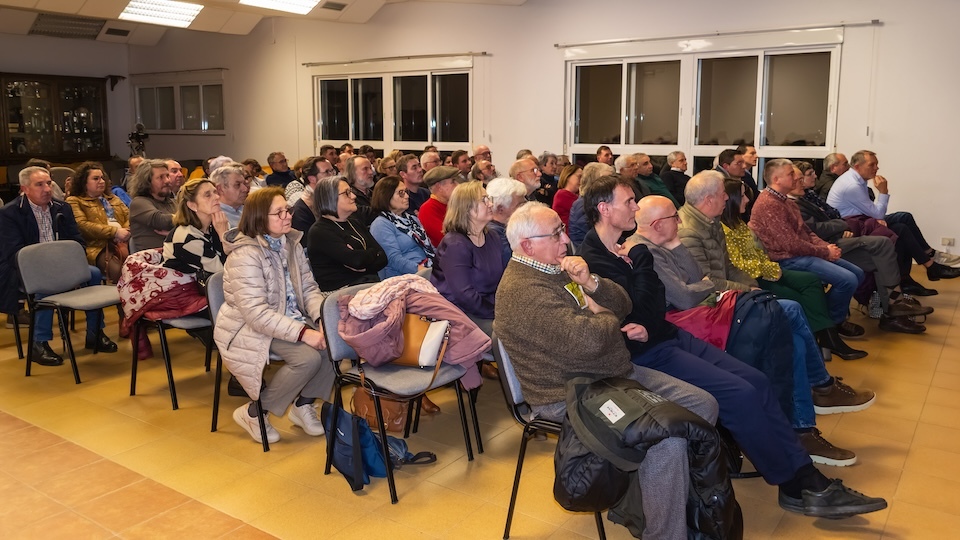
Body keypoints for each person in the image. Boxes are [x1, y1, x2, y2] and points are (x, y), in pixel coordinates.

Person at [584, 177, 872, 467]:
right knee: (773, 338)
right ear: (605, 209)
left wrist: (677, 252)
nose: (634, 207)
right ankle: (796, 451)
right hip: (678, 329)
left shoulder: (634, 248)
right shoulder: (629, 251)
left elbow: (678, 289)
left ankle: (803, 430)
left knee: (776, 342)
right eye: (629, 201)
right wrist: (705, 288)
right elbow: (673, 299)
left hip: (681, 325)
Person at [495, 201, 720, 539]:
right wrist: (602, 315)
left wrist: (591, 283)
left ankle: (669, 502)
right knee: (666, 443)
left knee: (704, 405)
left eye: (561, 230)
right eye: (555, 234)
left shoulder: (553, 268)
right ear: (528, 245)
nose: (565, 240)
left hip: (610, 375)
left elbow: (623, 303)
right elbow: (589, 339)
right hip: (569, 393)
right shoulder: (523, 291)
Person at [215, 188, 334, 444]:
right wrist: (305, 333)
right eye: (278, 212)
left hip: (286, 318)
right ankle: (254, 413)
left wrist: (323, 319)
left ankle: (303, 405)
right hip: (249, 326)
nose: (287, 216)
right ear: (259, 218)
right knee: (307, 359)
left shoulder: (291, 242)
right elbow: (256, 313)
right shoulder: (245, 253)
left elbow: (309, 288)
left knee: (336, 343)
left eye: (287, 210)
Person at [719, 177, 871, 356]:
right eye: (743, 196)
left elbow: (801, 235)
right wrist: (771, 268)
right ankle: (826, 337)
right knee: (814, 291)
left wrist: (823, 248)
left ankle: (826, 334)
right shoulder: (727, 228)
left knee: (812, 281)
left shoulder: (739, 223)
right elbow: (739, 264)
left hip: (772, 266)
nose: (747, 200)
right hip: (757, 276)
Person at [790, 163, 931, 333]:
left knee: (888, 245)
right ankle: (895, 303)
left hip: (841, 236)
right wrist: (843, 225)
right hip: (826, 245)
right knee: (887, 241)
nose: (814, 177)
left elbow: (833, 216)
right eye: (807, 175)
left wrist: (843, 225)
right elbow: (818, 227)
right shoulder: (796, 202)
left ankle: (893, 309)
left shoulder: (809, 196)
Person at [0, 166, 117, 366]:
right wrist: (47, 264)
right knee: (46, 284)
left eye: (49, 183)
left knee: (94, 274)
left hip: (63, 266)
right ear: (24, 188)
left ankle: (95, 333)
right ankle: (39, 343)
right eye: (39, 185)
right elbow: (13, 253)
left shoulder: (62, 208)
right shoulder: (10, 213)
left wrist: (66, 261)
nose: (47, 188)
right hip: (26, 270)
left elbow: (78, 242)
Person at [749, 161, 870, 340]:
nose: (796, 177)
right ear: (776, 179)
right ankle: (834, 324)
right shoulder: (769, 204)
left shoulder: (786, 201)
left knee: (858, 274)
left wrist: (826, 247)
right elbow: (790, 244)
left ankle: (824, 319)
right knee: (848, 280)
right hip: (785, 259)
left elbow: (806, 232)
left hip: (802, 253)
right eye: (790, 174)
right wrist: (824, 252)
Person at [826, 150, 960, 282]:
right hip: (850, 228)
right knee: (903, 221)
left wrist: (876, 217)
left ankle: (922, 269)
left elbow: (871, 212)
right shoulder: (852, 185)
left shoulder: (856, 179)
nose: (876, 168)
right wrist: (884, 192)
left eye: (876, 164)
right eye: (872, 165)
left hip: (860, 220)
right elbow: (877, 213)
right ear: (857, 167)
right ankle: (929, 261)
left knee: (902, 225)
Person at [430, 181, 502, 336]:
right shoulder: (456, 245)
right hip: (459, 314)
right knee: (515, 334)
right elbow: (465, 296)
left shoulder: (492, 237)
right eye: (484, 200)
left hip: (489, 307)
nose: (490, 204)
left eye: (489, 198)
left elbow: (502, 280)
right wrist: (498, 313)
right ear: (467, 208)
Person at [307, 176, 386, 291]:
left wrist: (363, 259)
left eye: (351, 192)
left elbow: (383, 258)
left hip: (368, 285)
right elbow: (356, 261)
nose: (353, 196)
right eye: (347, 193)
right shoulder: (319, 231)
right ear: (330, 198)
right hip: (340, 293)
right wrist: (372, 255)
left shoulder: (354, 222)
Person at [368, 175, 436, 279]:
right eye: (401, 193)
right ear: (386, 196)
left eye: (406, 192)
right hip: (404, 277)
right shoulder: (381, 224)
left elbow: (429, 246)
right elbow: (394, 260)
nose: (407, 196)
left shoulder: (412, 219)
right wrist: (425, 272)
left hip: (426, 267)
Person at [66, 161, 131, 268]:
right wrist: (114, 232)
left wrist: (125, 232)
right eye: (96, 179)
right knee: (121, 271)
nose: (101, 181)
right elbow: (82, 226)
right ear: (84, 182)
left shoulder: (113, 198)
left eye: (102, 178)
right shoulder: (74, 201)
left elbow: (130, 217)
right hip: (96, 247)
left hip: (124, 241)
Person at [162, 178, 229, 278]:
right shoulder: (186, 238)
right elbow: (225, 270)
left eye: (215, 192)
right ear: (192, 205)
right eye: (208, 195)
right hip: (181, 290)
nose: (217, 197)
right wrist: (224, 236)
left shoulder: (216, 225)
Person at [128, 159, 175, 251]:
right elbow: (161, 221)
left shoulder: (172, 202)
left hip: (175, 256)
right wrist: (186, 219)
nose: (167, 181)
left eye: (167, 176)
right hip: (153, 261)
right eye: (161, 177)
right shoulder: (139, 203)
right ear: (147, 182)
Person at [291, 157, 337, 244]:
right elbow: (308, 246)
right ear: (312, 179)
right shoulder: (301, 210)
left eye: (332, 170)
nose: (333, 176)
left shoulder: (330, 197)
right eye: (327, 172)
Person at [486, 177, 528, 270]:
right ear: (501, 209)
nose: (525, 209)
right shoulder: (494, 235)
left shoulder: (508, 228)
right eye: (520, 205)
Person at [418, 166, 462, 246]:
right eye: (453, 182)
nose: (458, 185)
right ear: (439, 187)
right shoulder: (427, 209)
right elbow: (446, 240)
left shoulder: (453, 204)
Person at [209, 163, 249, 229]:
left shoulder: (248, 210)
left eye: (244, 184)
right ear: (220, 189)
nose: (245, 189)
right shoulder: (215, 218)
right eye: (237, 185)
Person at [552, 164, 581, 229]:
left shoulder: (574, 195)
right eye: (579, 176)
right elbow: (582, 210)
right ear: (568, 176)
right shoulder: (562, 195)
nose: (581, 180)